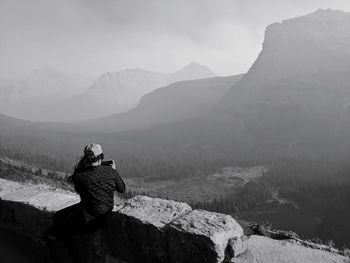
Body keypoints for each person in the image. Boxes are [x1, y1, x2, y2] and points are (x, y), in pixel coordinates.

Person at [45, 143, 126, 263]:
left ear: (85, 159)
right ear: (101, 157)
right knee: (58, 216)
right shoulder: (111, 172)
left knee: (50, 234)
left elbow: (79, 187)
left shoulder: (80, 177)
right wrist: (113, 170)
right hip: (104, 215)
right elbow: (122, 189)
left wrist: (84, 167)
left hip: (87, 217)